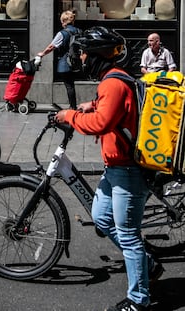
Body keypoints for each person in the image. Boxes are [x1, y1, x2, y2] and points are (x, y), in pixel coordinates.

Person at [55, 26, 164, 311]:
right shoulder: (114, 81)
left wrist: (70, 115)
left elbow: (101, 123)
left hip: (128, 171)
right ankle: (147, 264)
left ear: (96, 56)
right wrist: (92, 104)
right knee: (102, 218)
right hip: (115, 168)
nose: (80, 59)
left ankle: (139, 300)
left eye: (83, 54)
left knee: (128, 235)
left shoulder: (112, 83)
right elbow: (113, 108)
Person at [37, 10, 81, 109]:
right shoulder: (79, 31)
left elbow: (51, 47)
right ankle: (73, 106)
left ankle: (73, 107)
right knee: (71, 85)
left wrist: (42, 54)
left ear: (64, 21)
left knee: (69, 85)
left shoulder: (62, 33)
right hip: (76, 62)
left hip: (65, 63)